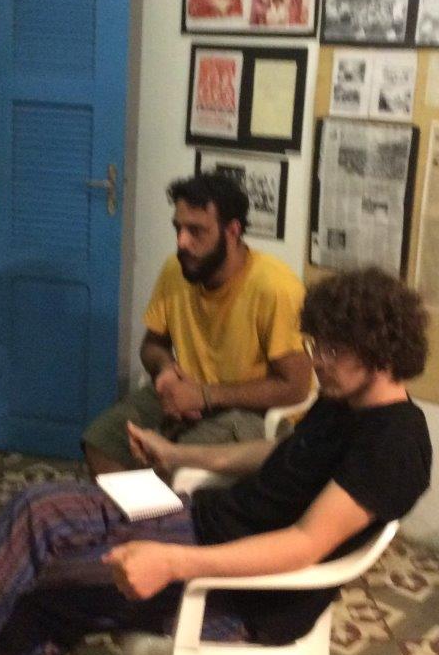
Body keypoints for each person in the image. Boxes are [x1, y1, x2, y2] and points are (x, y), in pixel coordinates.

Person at [0, 267, 432, 655]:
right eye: (316, 344)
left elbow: (304, 544)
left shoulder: (395, 445)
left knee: (34, 599)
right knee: (36, 510)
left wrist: (171, 562)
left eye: (332, 349)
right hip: (202, 520)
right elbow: (282, 453)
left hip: (240, 592)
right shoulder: (344, 401)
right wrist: (177, 455)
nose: (316, 360)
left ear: (381, 351)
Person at [83, 173, 312, 476]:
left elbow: (295, 387)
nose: (182, 242)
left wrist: (205, 395)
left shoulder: (276, 287)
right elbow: (153, 344)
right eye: (178, 228)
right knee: (101, 441)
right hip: (185, 394)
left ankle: (161, 505)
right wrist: (165, 370)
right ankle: (129, 507)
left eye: (196, 231)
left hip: (251, 412)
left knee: (170, 465)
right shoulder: (176, 270)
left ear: (232, 231)